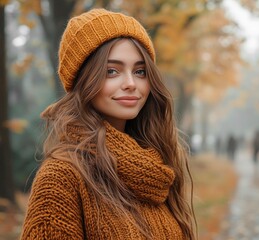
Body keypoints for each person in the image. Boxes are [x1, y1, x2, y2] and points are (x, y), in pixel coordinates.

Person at [21, 8, 196, 240]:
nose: (131, 83)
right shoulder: (61, 178)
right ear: (84, 81)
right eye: (112, 71)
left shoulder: (158, 167)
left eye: (140, 71)